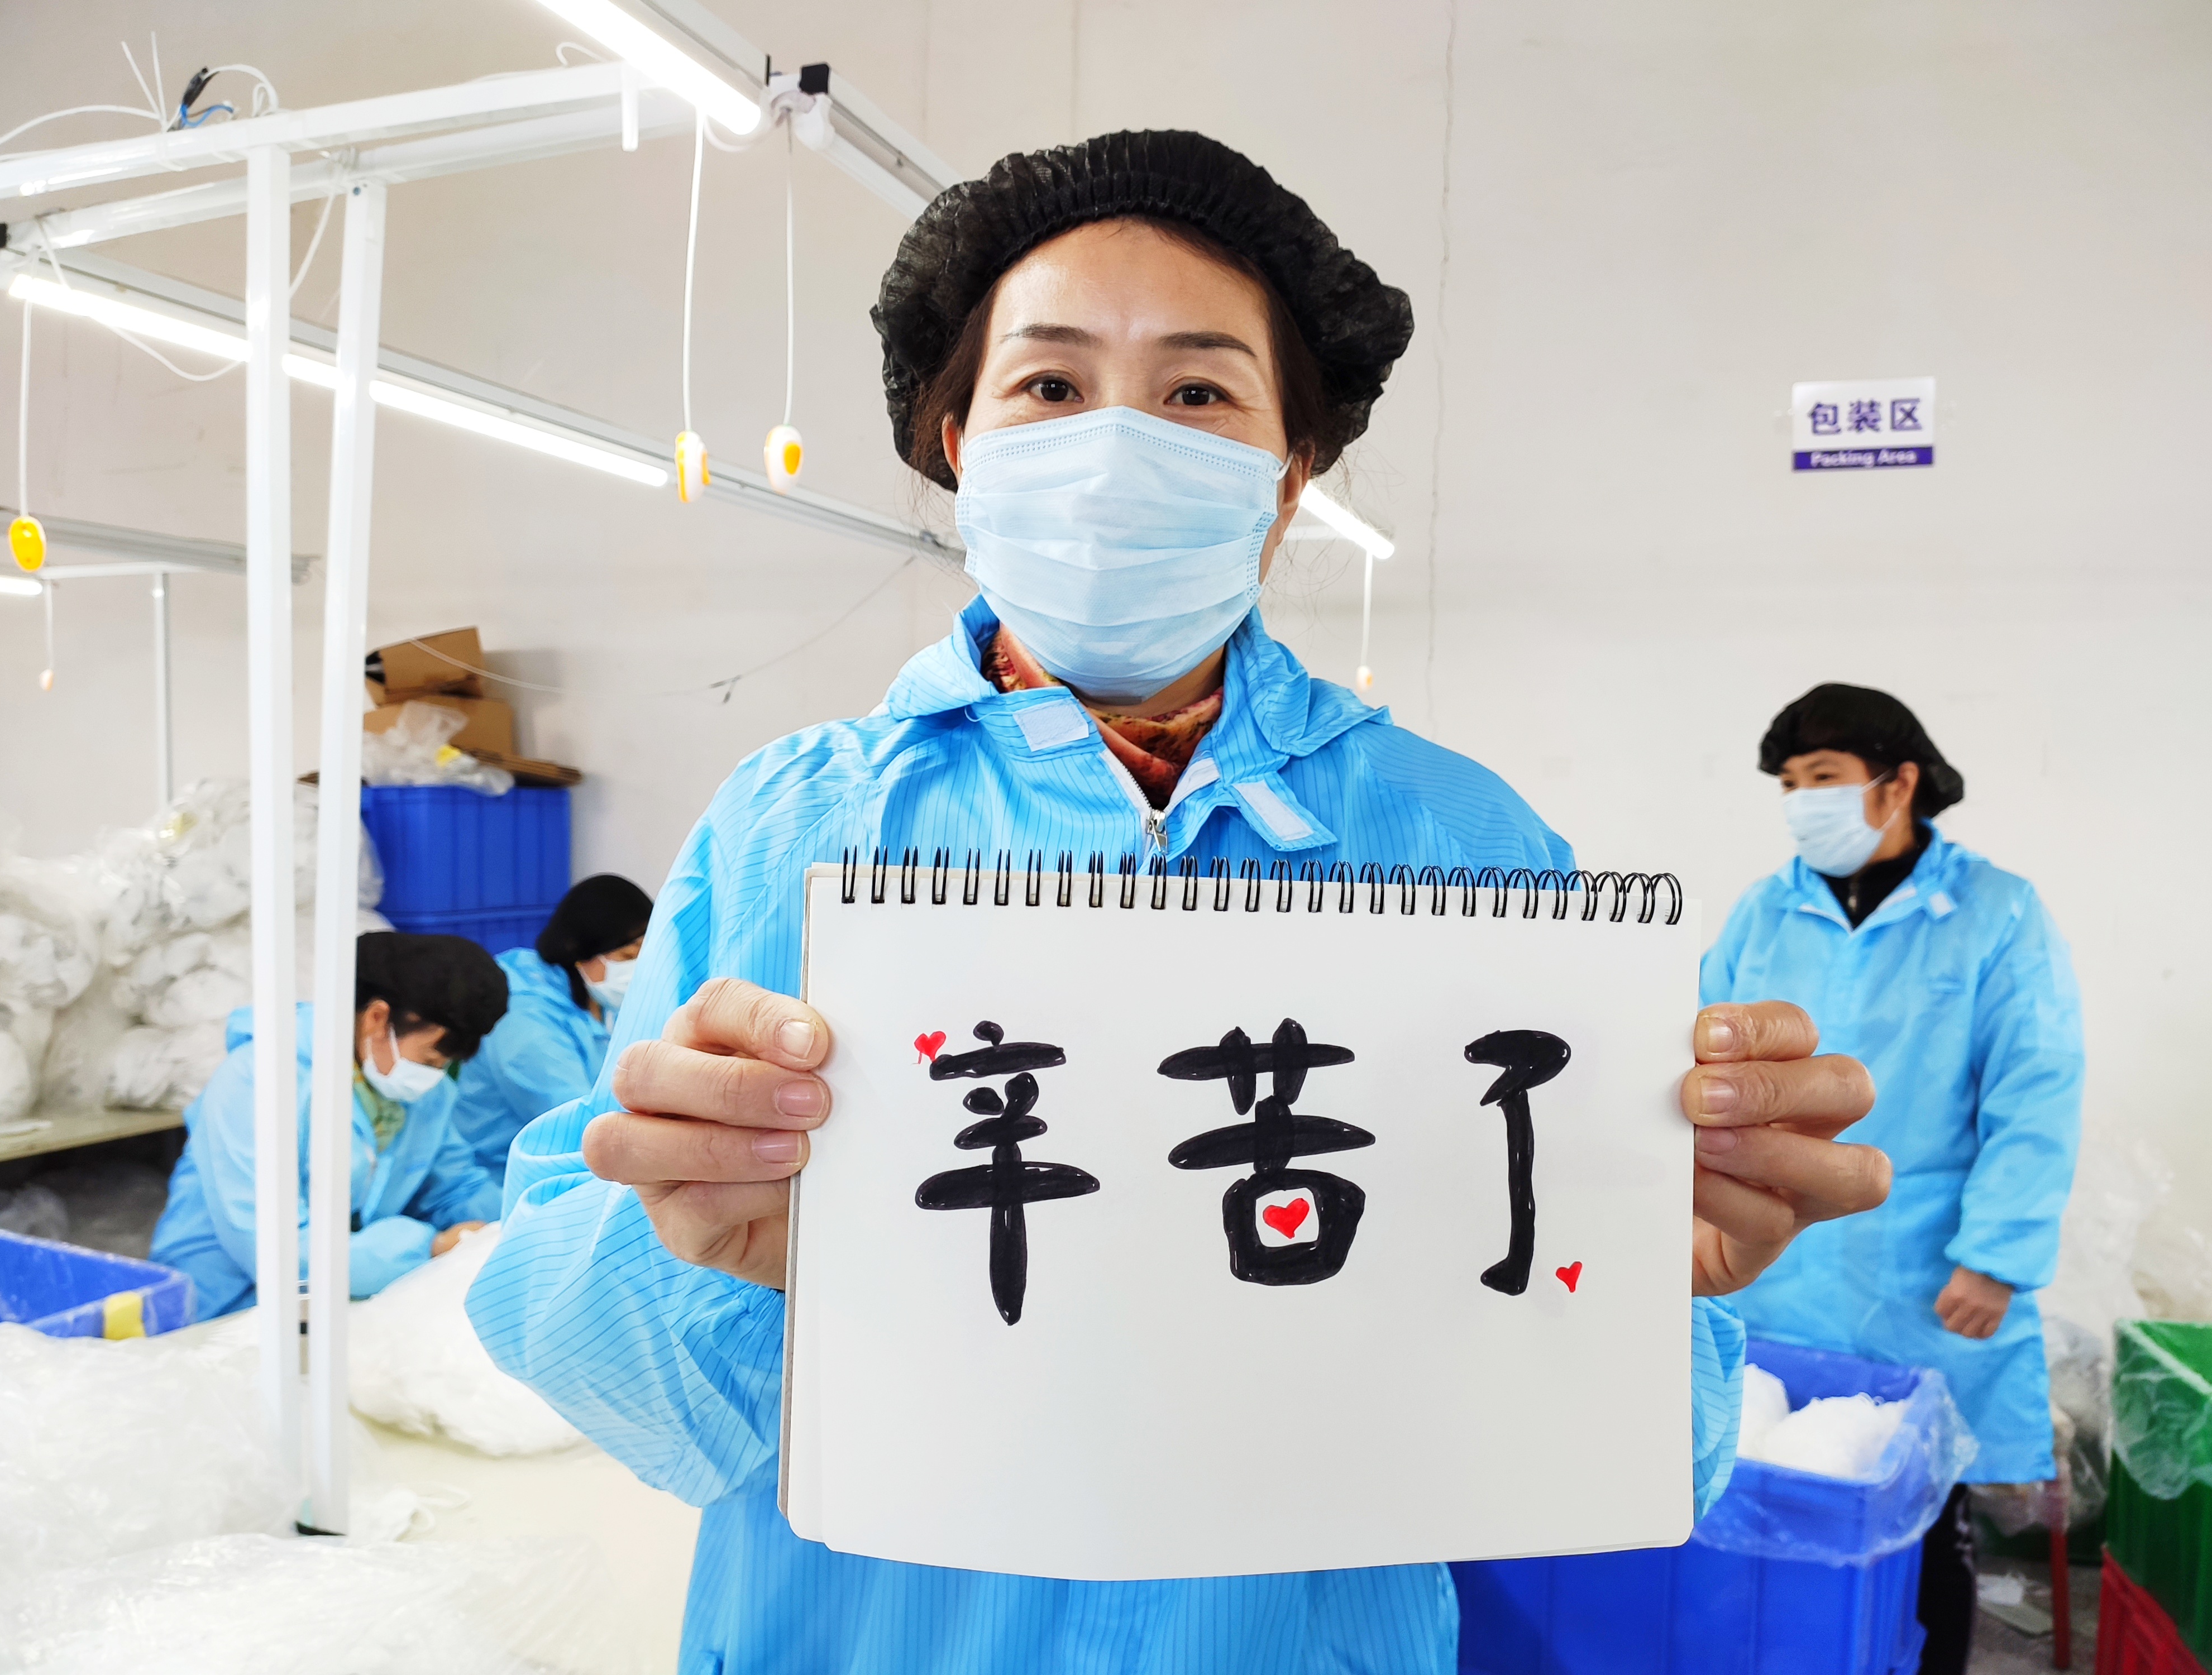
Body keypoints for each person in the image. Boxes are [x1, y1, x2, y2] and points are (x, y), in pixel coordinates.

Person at [467, 131, 1890, 1674]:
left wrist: (1630, 1291)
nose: (1115, 447)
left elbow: (1645, 1455)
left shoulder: (1466, 845)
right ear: (957, 441)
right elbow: (576, 1342)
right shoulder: (796, 827)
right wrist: (715, 1250)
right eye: (1050, 384)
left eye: (1198, 393)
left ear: (1289, 475)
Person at [1700, 683, 2084, 1675]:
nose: (1802, 803)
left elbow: (2035, 1089)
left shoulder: (1998, 913)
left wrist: (1997, 1256)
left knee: (1923, 1524)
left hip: (1925, 1272)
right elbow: (1699, 1067)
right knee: (1772, 1512)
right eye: (1789, 784)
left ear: (1898, 783)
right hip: (1775, 1260)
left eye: (1823, 778)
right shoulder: (1762, 912)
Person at [152, 930, 509, 1320]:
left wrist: (509, 1225)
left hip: (340, 1289)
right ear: (377, 1019)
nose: (433, 1078)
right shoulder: (260, 1081)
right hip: (222, 1304)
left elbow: (454, 1186)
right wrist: (428, 1248)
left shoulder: (420, 1094)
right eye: (428, 1061)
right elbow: (274, 1252)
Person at [451, 874, 652, 1182]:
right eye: (627, 956)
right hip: (502, 1181)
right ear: (579, 952)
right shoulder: (523, 1019)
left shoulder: (595, 996)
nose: (638, 968)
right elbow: (578, 1128)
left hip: (576, 1162)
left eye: (646, 955)